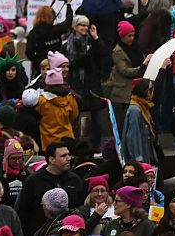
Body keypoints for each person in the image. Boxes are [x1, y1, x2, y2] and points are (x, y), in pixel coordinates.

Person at [15, 142, 86, 236]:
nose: (69, 158)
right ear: (51, 159)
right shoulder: (34, 181)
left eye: (69, 154)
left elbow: (82, 208)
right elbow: (22, 212)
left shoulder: (75, 180)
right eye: (63, 156)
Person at [65, 15, 109, 144]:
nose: (85, 28)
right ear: (75, 27)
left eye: (86, 25)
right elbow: (68, 64)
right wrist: (82, 59)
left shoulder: (92, 42)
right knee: (75, 120)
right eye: (81, 25)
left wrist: (96, 37)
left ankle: (96, 145)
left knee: (97, 121)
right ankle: (76, 146)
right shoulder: (67, 44)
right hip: (76, 85)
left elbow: (104, 53)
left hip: (92, 85)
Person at [105, 21, 152, 134]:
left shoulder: (136, 48)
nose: (131, 38)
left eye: (133, 35)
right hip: (122, 93)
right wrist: (143, 66)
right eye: (128, 36)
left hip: (135, 91)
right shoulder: (118, 51)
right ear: (122, 37)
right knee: (123, 125)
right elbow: (125, 71)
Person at [37, 65, 80, 151]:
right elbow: (75, 115)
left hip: (48, 140)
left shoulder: (42, 100)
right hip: (67, 138)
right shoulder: (70, 98)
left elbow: (37, 116)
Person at [26, 5, 74, 78]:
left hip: (40, 68)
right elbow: (68, 21)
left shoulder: (33, 33)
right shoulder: (56, 29)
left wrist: (38, 60)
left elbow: (29, 52)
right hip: (57, 66)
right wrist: (68, 5)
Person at [123, 79, 160, 169]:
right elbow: (133, 137)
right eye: (151, 91)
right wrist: (138, 159)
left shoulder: (144, 107)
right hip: (140, 159)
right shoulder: (135, 110)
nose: (152, 94)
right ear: (146, 92)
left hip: (147, 154)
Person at [0, 139, 28, 207]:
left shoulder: (27, 172)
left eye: (19, 158)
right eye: (13, 158)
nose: (17, 162)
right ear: (7, 159)